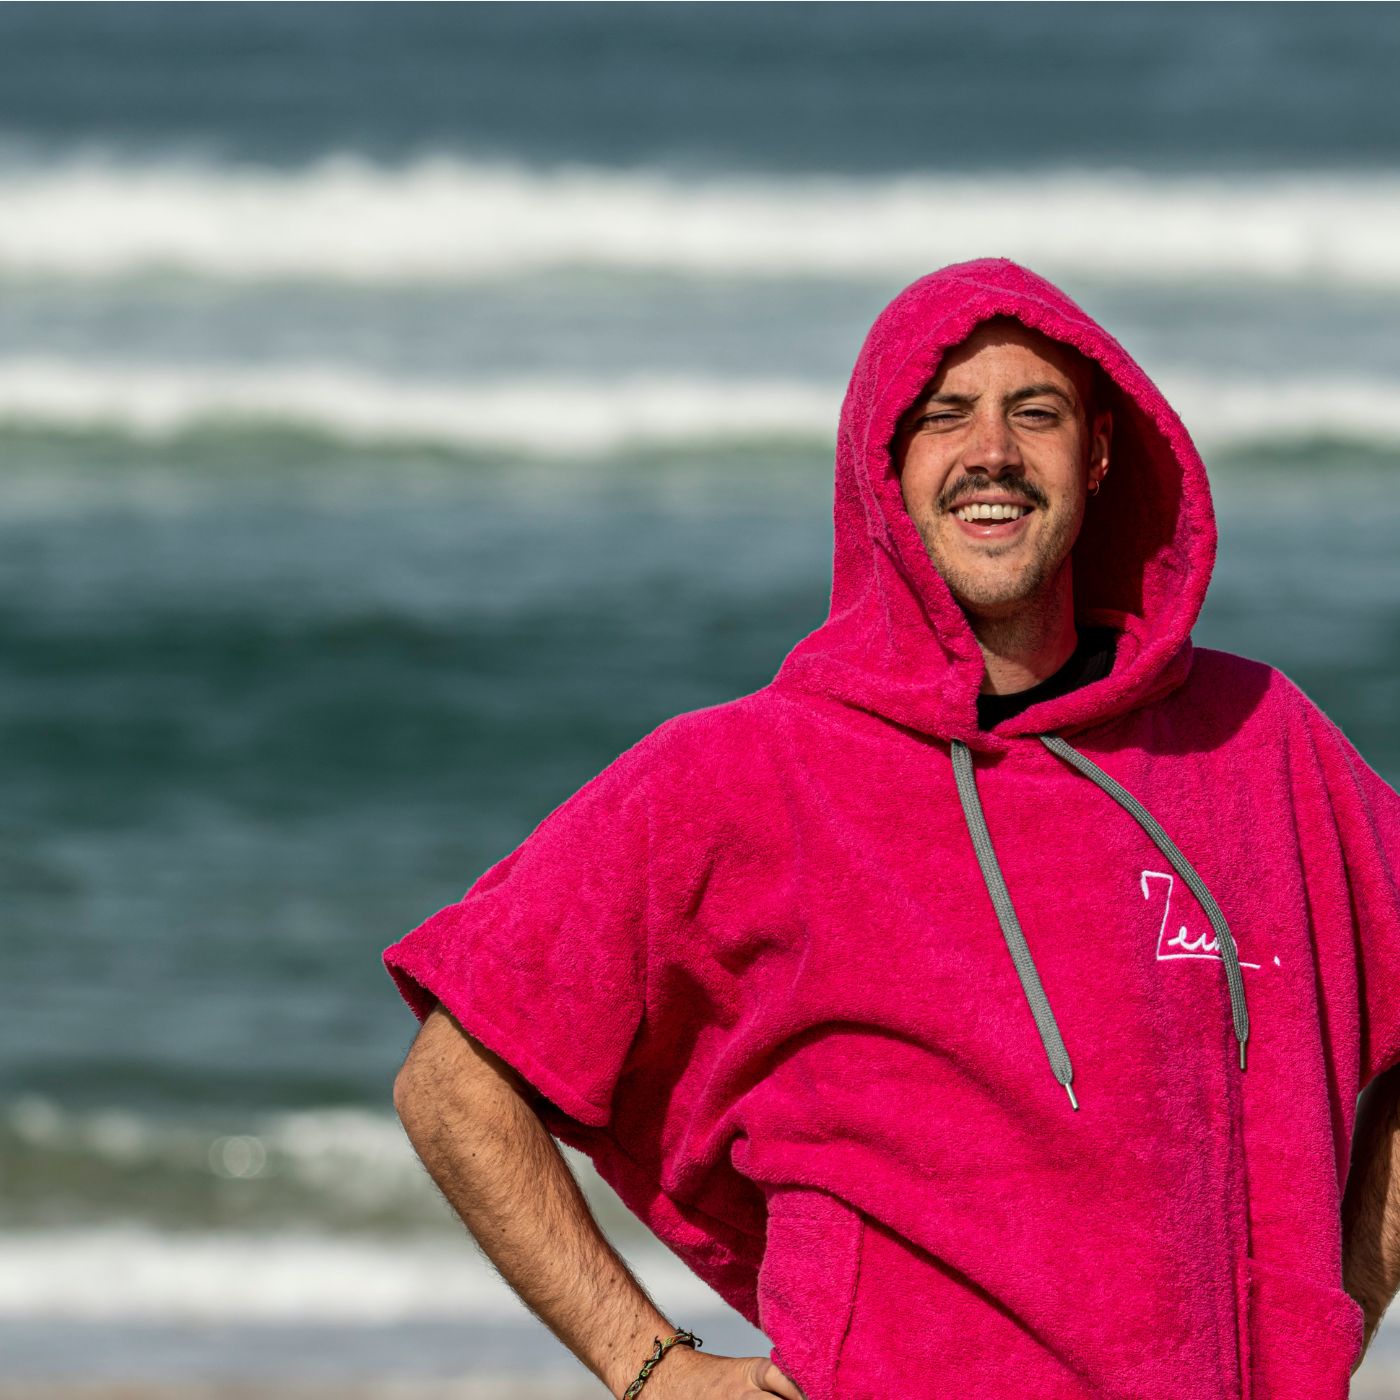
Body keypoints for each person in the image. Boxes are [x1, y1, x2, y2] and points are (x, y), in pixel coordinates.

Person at [385, 258, 1400, 1399]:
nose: (993, 453)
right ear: (882, 470)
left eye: (1035, 412)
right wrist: (650, 1364)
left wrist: (1339, 1300)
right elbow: (452, 1082)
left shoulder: (1257, 740)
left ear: (1100, 453)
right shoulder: (738, 772)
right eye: (943, 416)